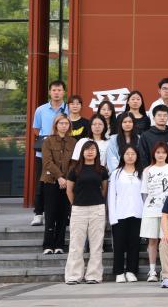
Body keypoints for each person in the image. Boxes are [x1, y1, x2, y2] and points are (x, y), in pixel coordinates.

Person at [63, 141, 108, 284]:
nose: (90, 152)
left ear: (97, 152)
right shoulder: (75, 169)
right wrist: (76, 203)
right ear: (82, 152)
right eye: (87, 149)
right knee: (76, 244)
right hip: (79, 209)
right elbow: (69, 190)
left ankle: (93, 275)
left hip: (97, 209)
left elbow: (104, 190)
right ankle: (73, 276)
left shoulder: (102, 170)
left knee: (96, 244)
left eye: (93, 149)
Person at [30, 79, 68, 226]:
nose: (56, 93)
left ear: (64, 92)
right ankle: (38, 213)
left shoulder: (68, 109)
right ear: (50, 92)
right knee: (42, 183)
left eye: (59, 90)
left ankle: (61, 214)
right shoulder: (41, 110)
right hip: (44, 154)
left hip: (63, 154)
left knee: (63, 182)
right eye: (54, 90)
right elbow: (36, 129)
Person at [140, 142, 168, 282]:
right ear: (154, 154)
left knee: (166, 241)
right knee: (152, 241)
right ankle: (152, 271)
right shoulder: (147, 170)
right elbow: (144, 193)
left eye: (163, 152)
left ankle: (166, 270)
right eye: (158, 152)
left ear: (167, 154)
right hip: (151, 210)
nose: (161, 155)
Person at [41, 115, 76, 254]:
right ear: (56, 125)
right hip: (51, 181)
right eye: (61, 123)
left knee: (63, 213)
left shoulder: (73, 142)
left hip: (67, 182)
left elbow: (74, 162)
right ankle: (48, 245)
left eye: (66, 123)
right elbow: (47, 162)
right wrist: (60, 177)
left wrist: (66, 179)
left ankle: (59, 245)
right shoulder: (48, 141)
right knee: (50, 213)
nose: (64, 125)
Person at [108, 144, 143, 282]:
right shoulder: (116, 173)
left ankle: (131, 271)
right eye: (127, 154)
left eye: (133, 154)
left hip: (137, 213)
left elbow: (144, 195)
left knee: (134, 244)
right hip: (120, 214)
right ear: (122, 156)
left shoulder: (141, 173)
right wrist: (112, 217)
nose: (130, 156)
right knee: (119, 244)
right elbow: (111, 196)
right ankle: (118, 272)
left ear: (137, 156)